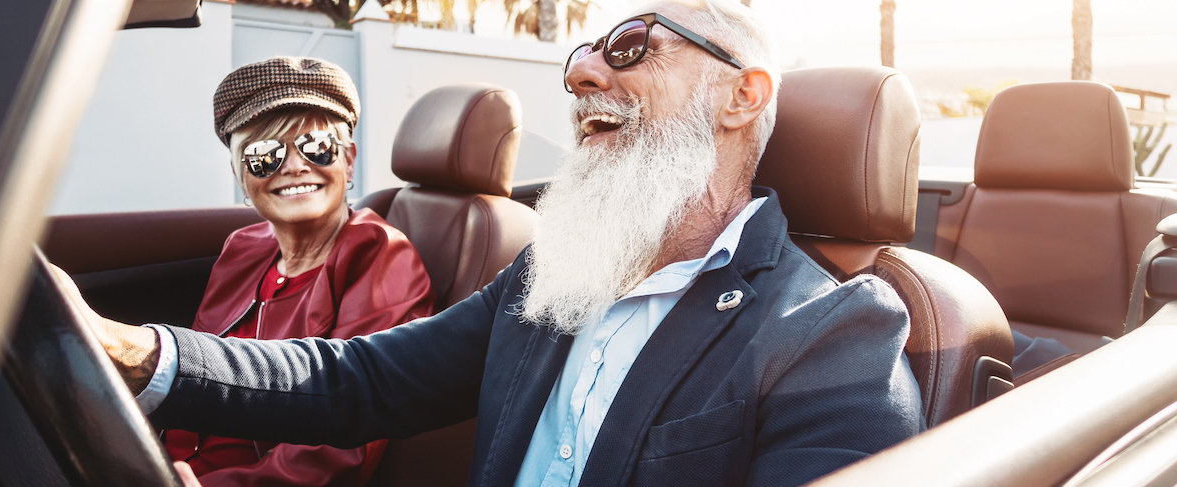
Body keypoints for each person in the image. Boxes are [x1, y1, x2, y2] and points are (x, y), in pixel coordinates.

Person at [72, 2, 924, 485]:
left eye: (630, 46)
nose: (583, 73)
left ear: (743, 97)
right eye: (583, 52)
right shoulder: (556, 273)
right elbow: (360, 379)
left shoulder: (834, 331)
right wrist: (135, 353)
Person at [155, 56, 435, 486]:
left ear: (349, 161)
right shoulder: (242, 248)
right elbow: (198, 375)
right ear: (239, 174)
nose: (293, 166)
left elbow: (346, 431)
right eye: (263, 154)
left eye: (317, 146)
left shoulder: (381, 256)